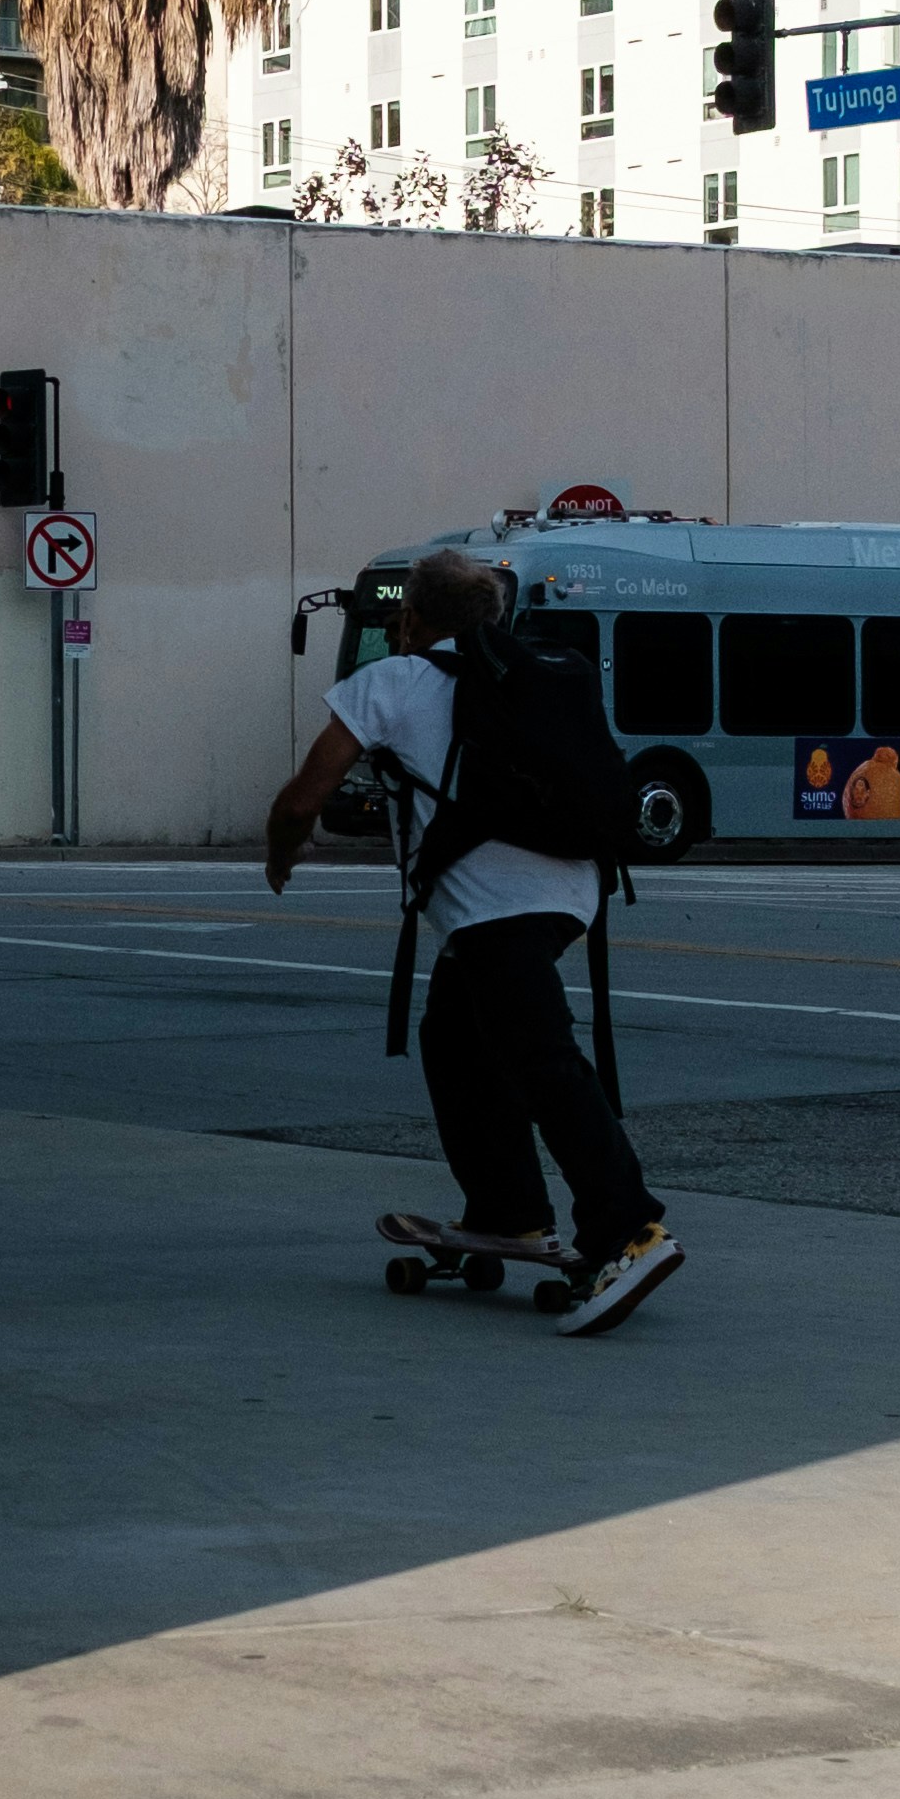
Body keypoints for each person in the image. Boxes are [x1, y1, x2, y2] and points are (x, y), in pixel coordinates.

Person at [266, 545, 684, 1337]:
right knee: (454, 1035)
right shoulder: (533, 673)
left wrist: (277, 853)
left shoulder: (389, 679)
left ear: (409, 618)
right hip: (572, 892)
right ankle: (508, 1208)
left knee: (540, 1056)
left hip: (496, 909)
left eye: (400, 617)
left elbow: (303, 798)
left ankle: (628, 1229)